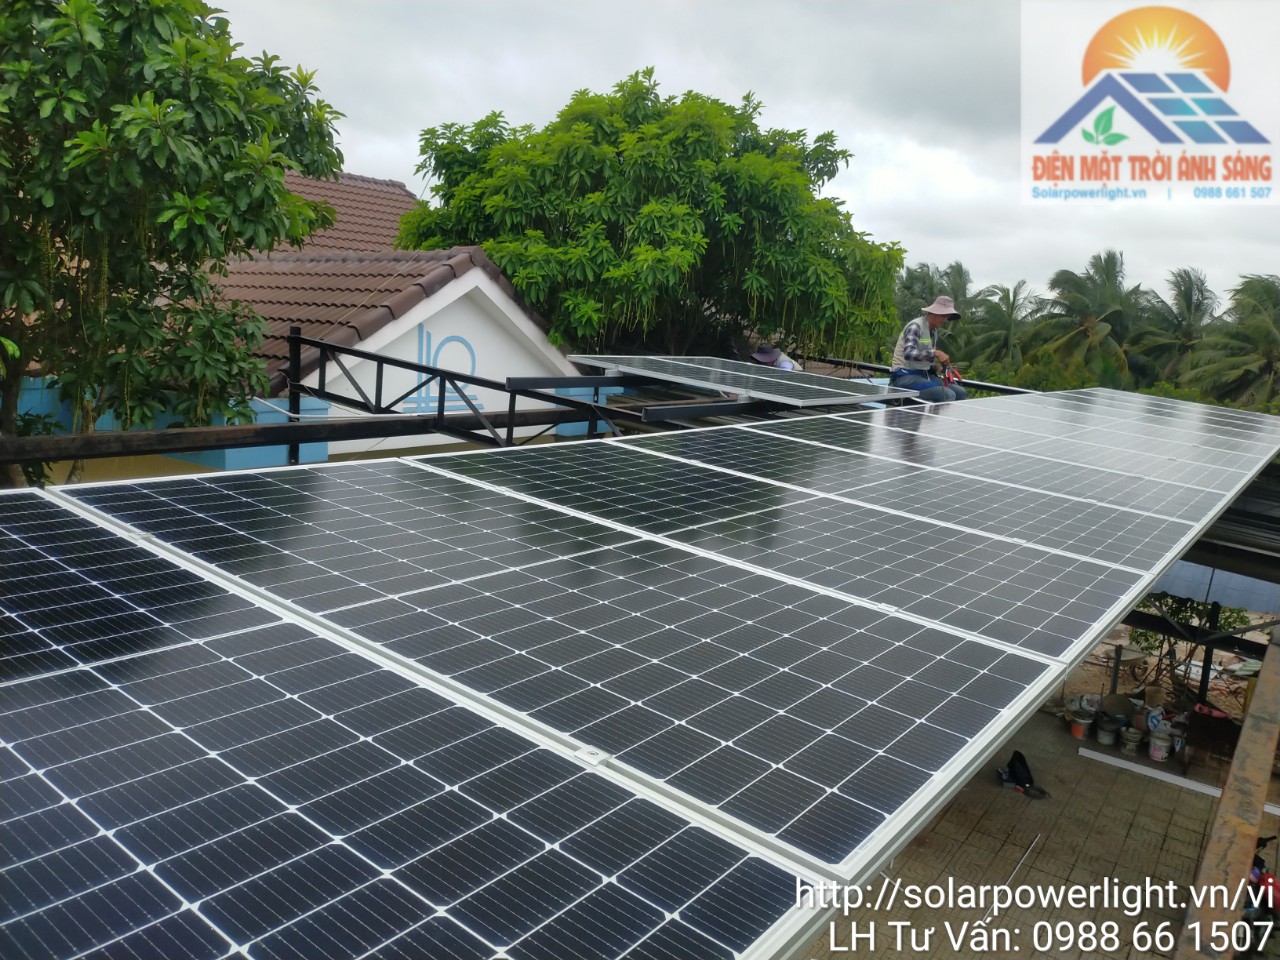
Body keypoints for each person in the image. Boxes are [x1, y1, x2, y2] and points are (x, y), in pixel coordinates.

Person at [888, 295, 967, 401]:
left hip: (923, 375)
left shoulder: (933, 331)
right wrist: (935, 353)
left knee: (960, 392)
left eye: (947, 317)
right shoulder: (915, 326)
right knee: (947, 394)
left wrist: (938, 368)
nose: (946, 320)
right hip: (905, 377)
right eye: (944, 316)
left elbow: (923, 361)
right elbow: (908, 354)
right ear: (934, 313)